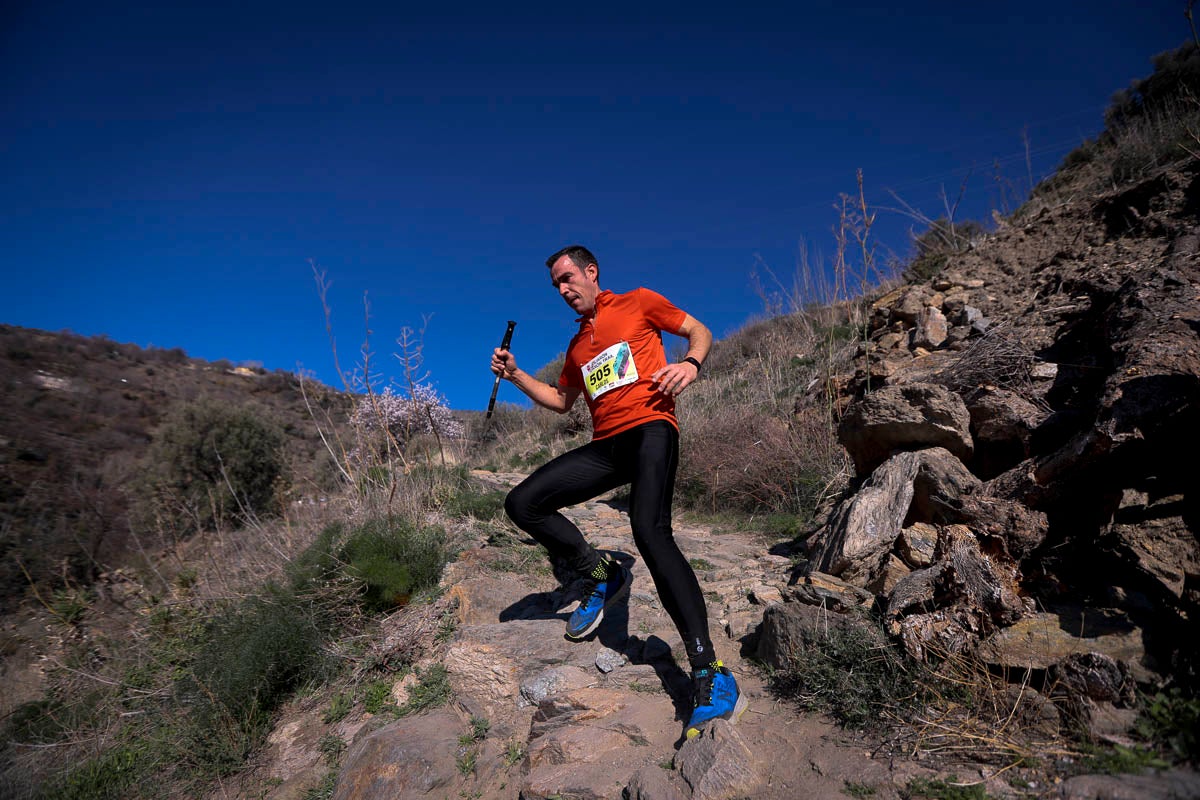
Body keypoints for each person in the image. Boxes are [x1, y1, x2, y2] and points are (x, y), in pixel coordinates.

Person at [490, 244, 746, 740]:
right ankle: (600, 572)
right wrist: (517, 375)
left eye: (569, 279)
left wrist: (691, 364)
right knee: (522, 502)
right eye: (556, 286)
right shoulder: (578, 348)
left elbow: (699, 330)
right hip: (606, 446)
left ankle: (710, 670)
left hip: (651, 428)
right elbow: (563, 401)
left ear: (592, 272)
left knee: (649, 532)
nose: (564, 291)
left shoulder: (638, 302)